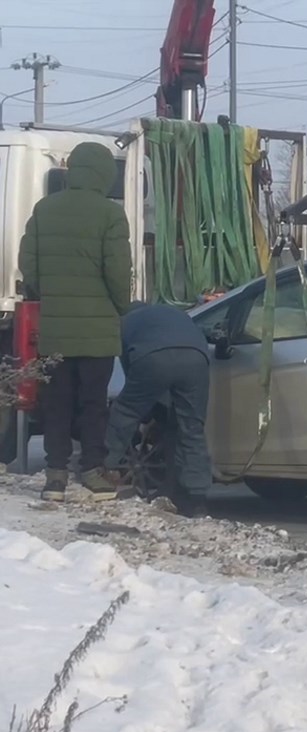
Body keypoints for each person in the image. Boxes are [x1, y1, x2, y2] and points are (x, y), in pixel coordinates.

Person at [18, 142, 131, 502]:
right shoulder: (110, 215)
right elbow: (117, 271)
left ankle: (55, 476)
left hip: (55, 328)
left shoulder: (44, 209)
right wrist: (122, 306)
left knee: (57, 402)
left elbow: (29, 266)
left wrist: (46, 291)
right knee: (94, 403)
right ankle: (93, 472)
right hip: (97, 331)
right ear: (103, 174)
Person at [104, 301, 213, 518]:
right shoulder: (175, 314)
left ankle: (104, 468)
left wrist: (144, 412)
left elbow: (132, 371)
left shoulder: (125, 323)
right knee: (192, 428)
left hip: (152, 358)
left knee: (125, 412)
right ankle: (196, 498)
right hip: (196, 359)